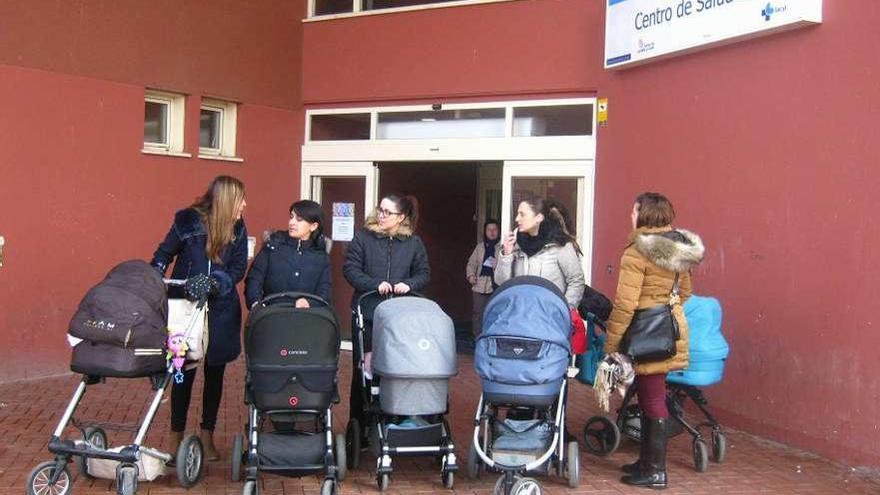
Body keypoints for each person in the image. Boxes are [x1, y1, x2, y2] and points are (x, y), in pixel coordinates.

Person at [602, 192, 704, 489]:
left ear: (644, 215)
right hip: (668, 331)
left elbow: (625, 304)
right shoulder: (678, 248)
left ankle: (655, 471)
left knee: (653, 397)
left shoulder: (636, 252)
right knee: (651, 393)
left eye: (634, 211)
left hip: (646, 333)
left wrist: (612, 345)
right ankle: (647, 462)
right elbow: (684, 293)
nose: (630, 216)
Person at [151, 175, 248, 462]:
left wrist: (216, 282)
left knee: (214, 374)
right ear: (227, 199)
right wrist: (154, 276)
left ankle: (207, 435)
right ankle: (175, 436)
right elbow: (162, 254)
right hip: (185, 310)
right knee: (182, 372)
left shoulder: (238, 227)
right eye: (241, 198)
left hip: (220, 311)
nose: (245, 204)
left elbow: (238, 267)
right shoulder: (187, 221)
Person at [342, 194, 430, 431]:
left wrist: (409, 284)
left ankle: (398, 417)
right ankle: (359, 424)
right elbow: (350, 269)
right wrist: (374, 284)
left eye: (387, 212)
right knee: (363, 369)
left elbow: (423, 273)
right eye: (380, 210)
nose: (381, 215)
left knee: (400, 367)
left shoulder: (413, 242)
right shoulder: (363, 237)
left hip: (401, 317)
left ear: (401, 217)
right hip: (368, 313)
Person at [495, 197, 585, 308]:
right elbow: (501, 283)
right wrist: (506, 254)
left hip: (550, 319)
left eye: (522, 214)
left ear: (538, 217)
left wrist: (564, 310)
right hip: (519, 316)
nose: (517, 219)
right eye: (517, 214)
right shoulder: (515, 244)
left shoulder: (560, 245)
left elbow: (576, 281)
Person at [245, 200, 331, 309]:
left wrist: (309, 303)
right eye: (291, 217)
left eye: (299, 219)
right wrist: (256, 304)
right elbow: (254, 279)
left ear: (313, 226)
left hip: (307, 319)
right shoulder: (273, 245)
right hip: (270, 316)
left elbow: (324, 293)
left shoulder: (321, 256)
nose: (292, 222)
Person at [465, 219, 500, 336]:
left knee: (494, 313)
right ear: (485, 231)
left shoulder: (502, 248)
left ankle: (491, 338)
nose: (492, 232)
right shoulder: (480, 247)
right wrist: (470, 276)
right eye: (489, 230)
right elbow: (471, 263)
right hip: (479, 285)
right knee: (478, 314)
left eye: (494, 229)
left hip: (496, 286)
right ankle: (477, 338)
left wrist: (498, 265)